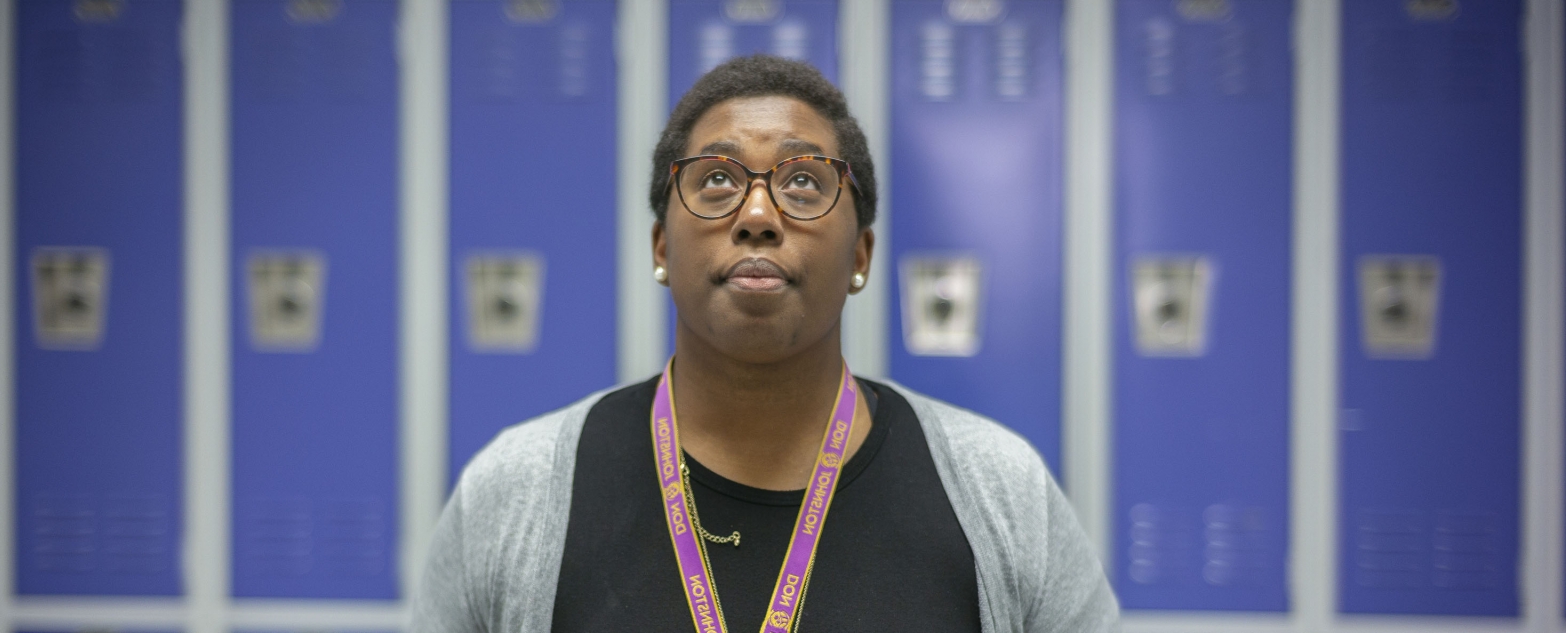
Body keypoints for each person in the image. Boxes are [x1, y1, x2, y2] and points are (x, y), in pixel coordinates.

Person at [412, 55, 1118, 633]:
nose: (757, 214)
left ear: (862, 255)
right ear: (662, 245)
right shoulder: (515, 491)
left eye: (804, 182)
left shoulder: (1003, 493)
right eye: (716, 179)